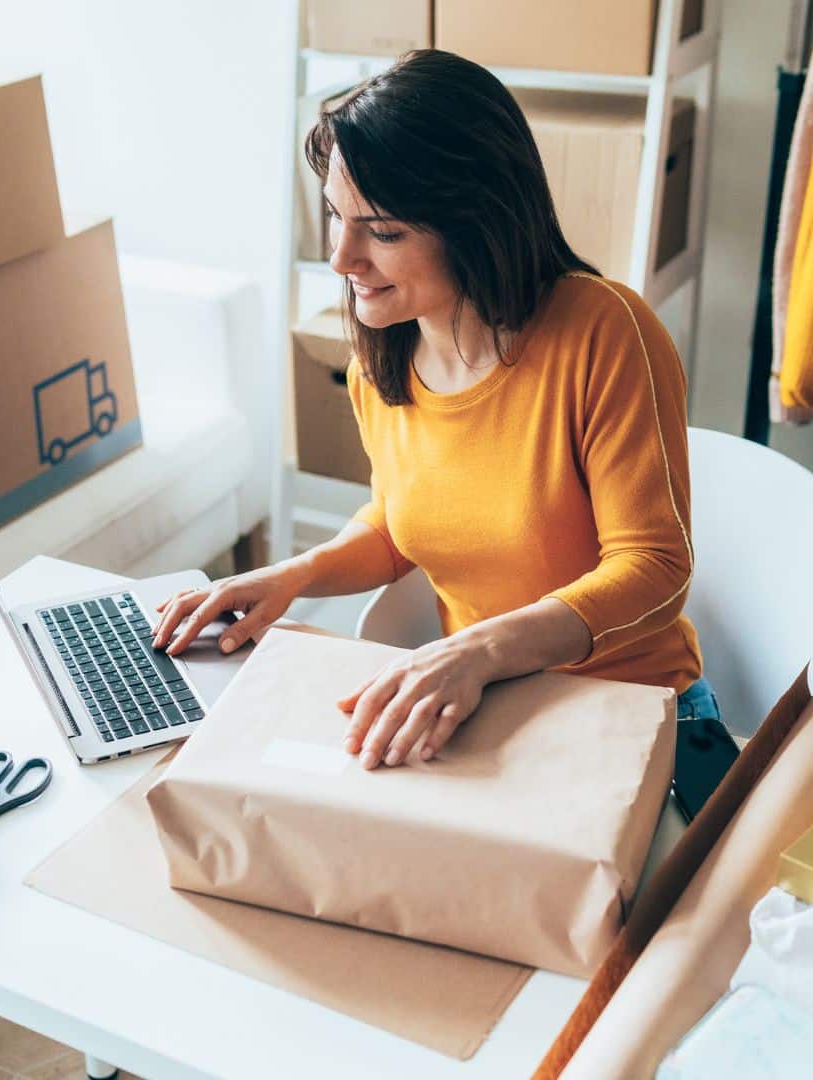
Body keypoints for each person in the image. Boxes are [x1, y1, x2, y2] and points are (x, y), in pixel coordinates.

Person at [152, 49, 718, 769]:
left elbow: (656, 569)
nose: (342, 258)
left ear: (477, 222)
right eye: (337, 216)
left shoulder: (604, 333)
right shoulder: (380, 362)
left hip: (632, 712)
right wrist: (293, 577)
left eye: (383, 232)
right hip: (492, 705)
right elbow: (400, 526)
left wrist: (475, 651)